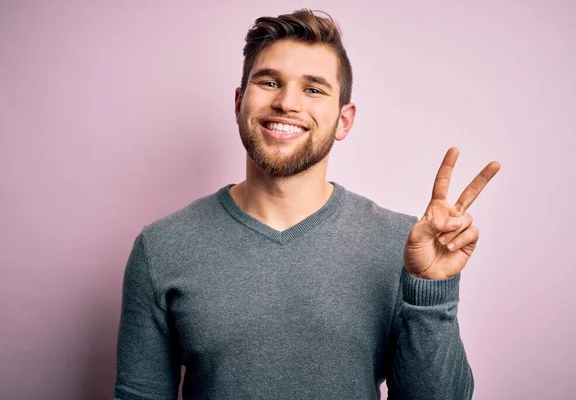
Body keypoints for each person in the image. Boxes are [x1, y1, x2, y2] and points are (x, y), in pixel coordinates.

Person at [113, 9, 500, 400]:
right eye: (269, 82)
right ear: (238, 102)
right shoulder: (162, 247)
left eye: (313, 89)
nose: (286, 103)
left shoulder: (402, 244)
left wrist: (431, 291)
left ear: (343, 121)